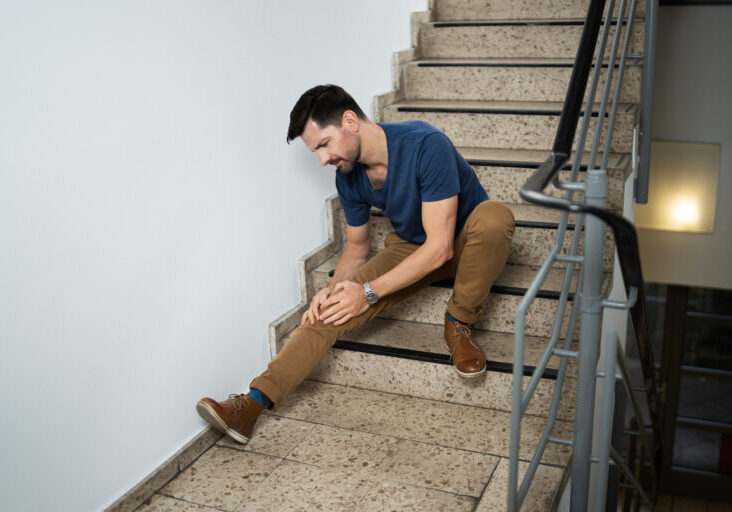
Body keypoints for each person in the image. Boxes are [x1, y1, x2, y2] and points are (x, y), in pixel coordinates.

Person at [196, 84, 515, 445]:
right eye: (315, 150)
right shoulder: (348, 175)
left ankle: (458, 322)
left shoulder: (426, 144)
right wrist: (332, 292)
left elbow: (441, 247)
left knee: (495, 218)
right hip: (412, 248)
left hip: (463, 242)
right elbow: (356, 248)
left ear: (350, 121)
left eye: (323, 144)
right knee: (330, 309)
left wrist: (367, 292)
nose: (321, 159)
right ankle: (251, 405)